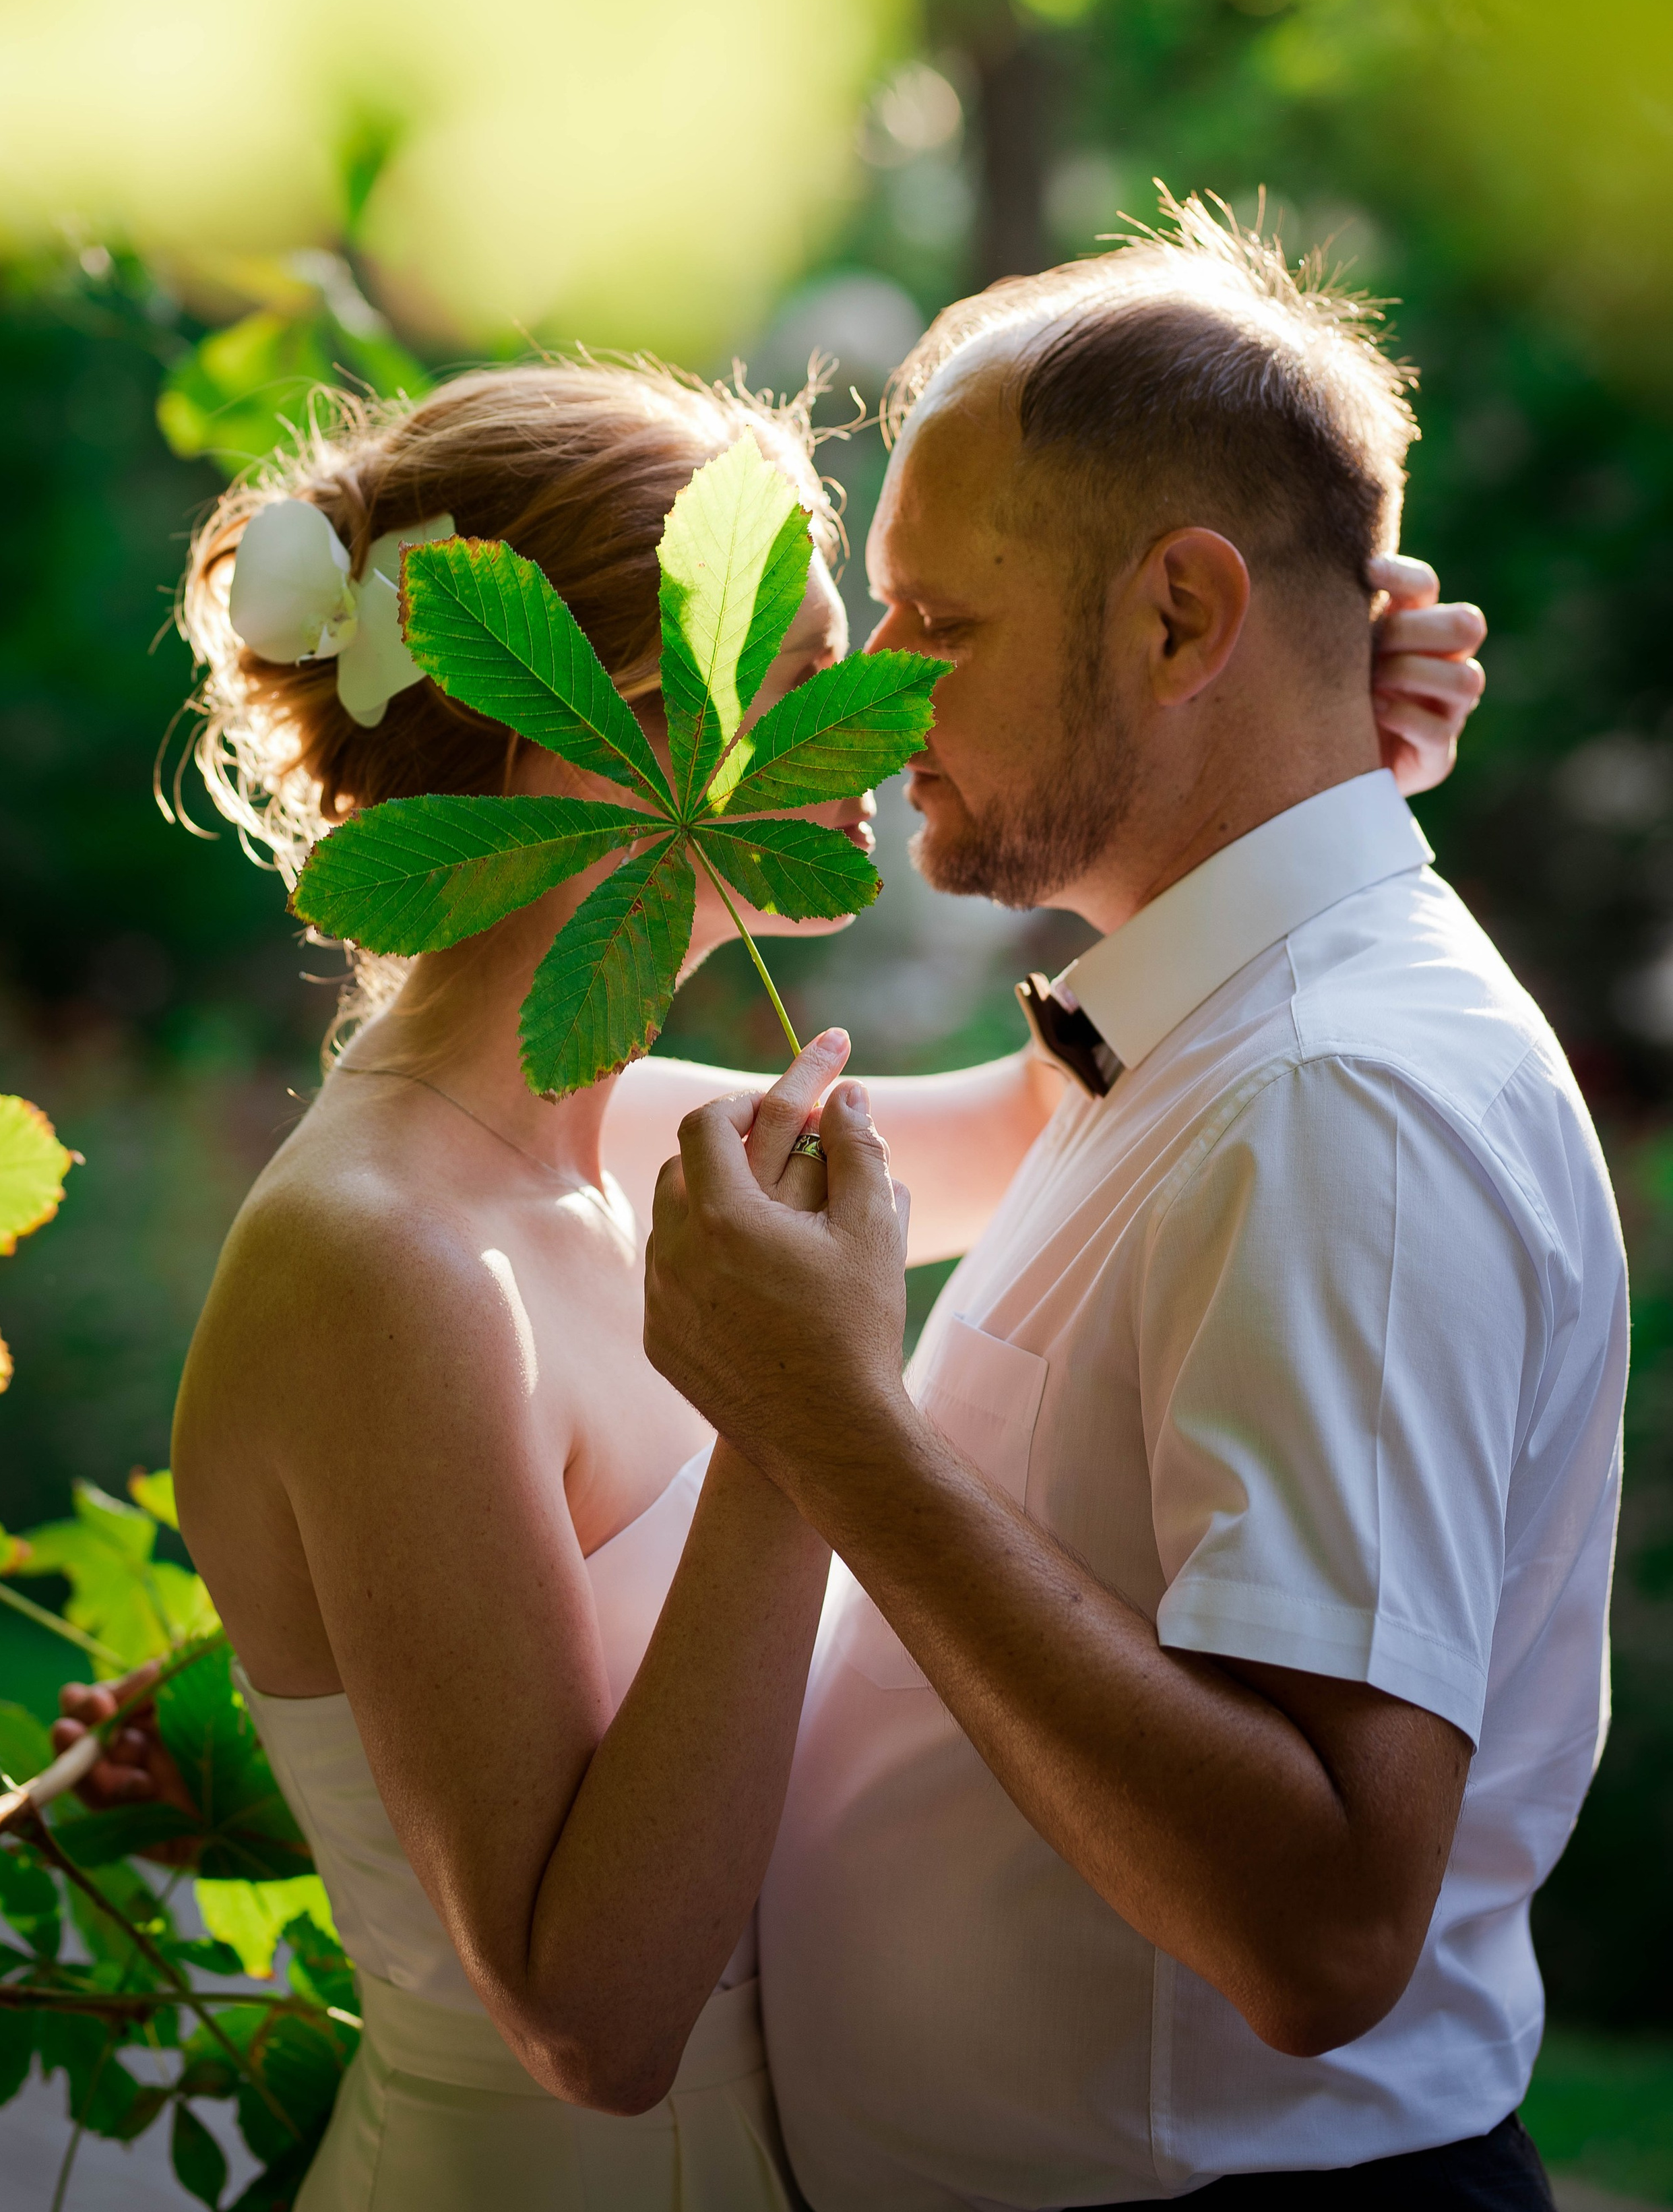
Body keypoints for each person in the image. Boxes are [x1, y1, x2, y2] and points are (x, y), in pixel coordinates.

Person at [53, 294, 1485, 2209]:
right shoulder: (379, 1258)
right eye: (813, 665)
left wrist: (1299, 753)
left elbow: (1064, 1096)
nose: (892, 712)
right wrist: (791, 1423)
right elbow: (595, 2022)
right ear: (589, 724)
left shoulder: (642, 1124)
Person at [641, 199, 1624, 2210]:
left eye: (936, 625)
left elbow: (1325, 1930)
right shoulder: (1198, 1026)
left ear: (1179, 619)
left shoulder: (1339, 1102)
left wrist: (832, 1425)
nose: (876, 702)